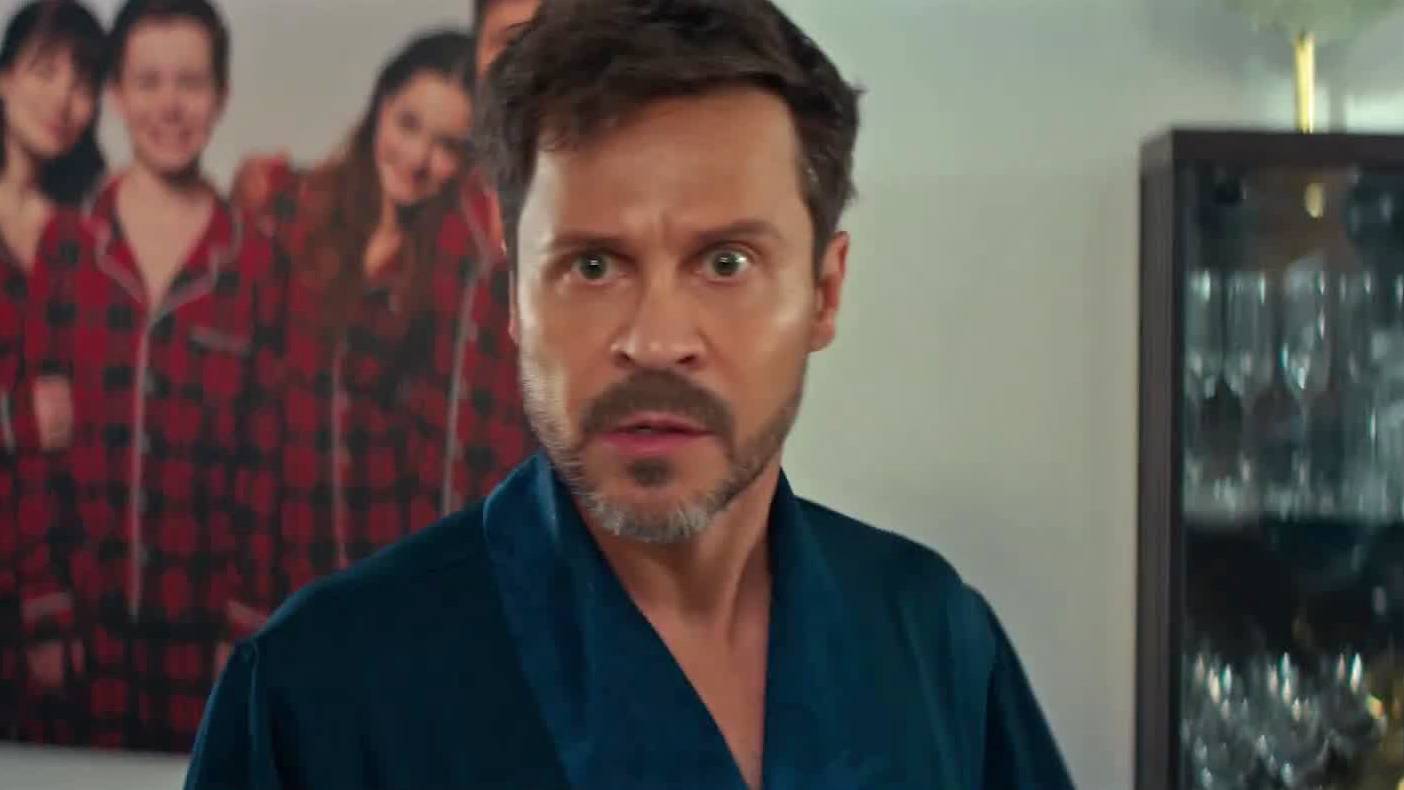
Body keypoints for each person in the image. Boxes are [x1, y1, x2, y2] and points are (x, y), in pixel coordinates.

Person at [185, 0, 1076, 787]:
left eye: (727, 262)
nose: (655, 342)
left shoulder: (937, 643)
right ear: (514, 296)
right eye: (593, 265)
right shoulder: (316, 695)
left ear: (824, 293)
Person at [28, 0, 283, 751]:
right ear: (116, 95)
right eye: (148, 82)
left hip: (202, 639)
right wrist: (43, 605)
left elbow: (267, 459)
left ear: (221, 96)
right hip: (78, 632)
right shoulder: (67, 248)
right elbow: (37, 452)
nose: (169, 106)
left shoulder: (256, 262)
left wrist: (246, 623)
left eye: (190, 83)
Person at [236, 29, 528, 600]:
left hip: (386, 562)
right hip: (287, 559)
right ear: (380, 105)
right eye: (407, 124)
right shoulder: (292, 212)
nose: (418, 159)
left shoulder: (453, 260)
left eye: (447, 146)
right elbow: (252, 405)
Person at [0, 0, 105, 744]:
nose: (62, 99)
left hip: (58, 548)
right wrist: (17, 417)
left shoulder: (92, 226)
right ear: (4, 78)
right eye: (44, 72)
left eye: (83, 80)